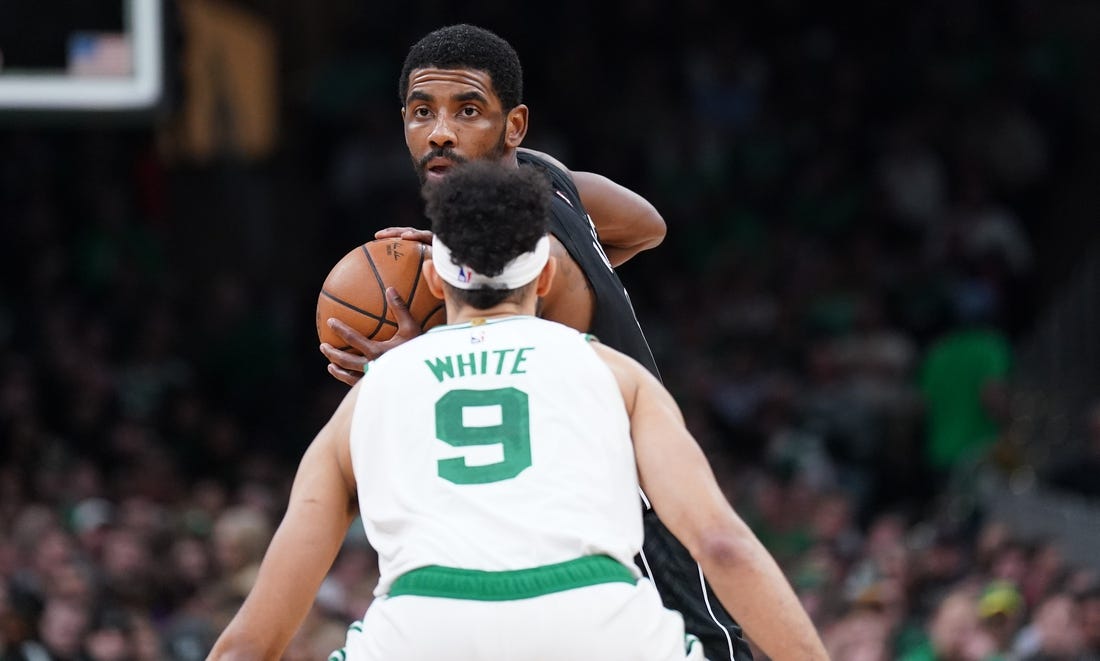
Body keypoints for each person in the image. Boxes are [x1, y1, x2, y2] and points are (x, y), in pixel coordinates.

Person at [209, 161, 827, 660]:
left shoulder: (370, 396)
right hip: (597, 623)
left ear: (432, 281)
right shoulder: (617, 377)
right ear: (549, 275)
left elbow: (251, 644)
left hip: (424, 630)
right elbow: (720, 544)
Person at [317, 23, 753, 660]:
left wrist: (413, 359)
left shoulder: (503, 264)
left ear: (512, 125)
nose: (439, 132)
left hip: (631, 511)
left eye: (467, 111)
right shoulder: (544, 179)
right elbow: (647, 226)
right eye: (421, 112)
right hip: (570, 522)